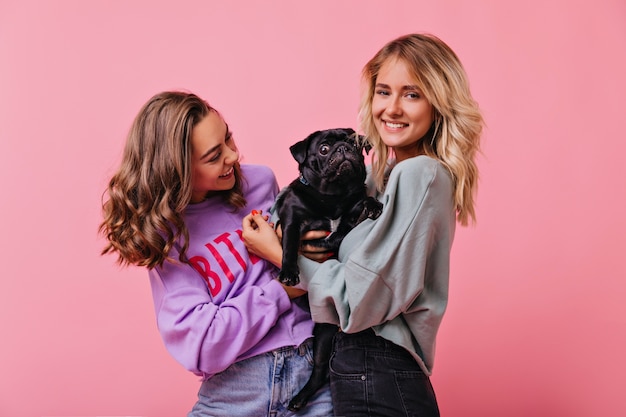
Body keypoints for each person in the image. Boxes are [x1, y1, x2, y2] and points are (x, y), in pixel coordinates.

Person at [242, 33, 483, 417]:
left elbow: (358, 304)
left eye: (412, 94)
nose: (392, 108)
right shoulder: (379, 178)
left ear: (439, 103)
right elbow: (305, 206)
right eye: (383, 92)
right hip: (359, 369)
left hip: (380, 369)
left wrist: (280, 255)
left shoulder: (421, 175)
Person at [99, 91, 333, 417]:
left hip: (311, 370)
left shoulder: (260, 183)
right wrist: (282, 290)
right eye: (213, 156)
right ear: (177, 169)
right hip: (234, 389)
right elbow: (207, 342)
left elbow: (317, 261)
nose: (233, 156)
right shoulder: (167, 237)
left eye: (228, 138)